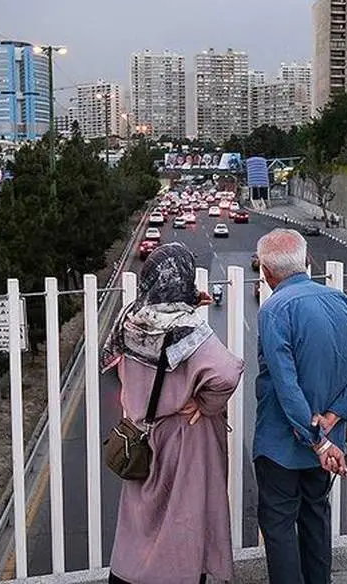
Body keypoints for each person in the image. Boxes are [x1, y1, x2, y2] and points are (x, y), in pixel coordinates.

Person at [102, 242, 244, 584]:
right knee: (182, 518)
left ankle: (130, 575)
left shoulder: (131, 318)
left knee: (141, 519)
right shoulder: (187, 329)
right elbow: (227, 373)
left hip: (141, 433)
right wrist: (204, 404)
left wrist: (188, 301)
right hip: (182, 439)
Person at [252, 228, 347, 584]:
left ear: (266, 272)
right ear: (307, 261)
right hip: (329, 443)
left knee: (278, 524)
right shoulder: (340, 301)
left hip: (282, 445)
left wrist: (315, 438)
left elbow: (285, 384)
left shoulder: (274, 310)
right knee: (316, 517)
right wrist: (333, 418)